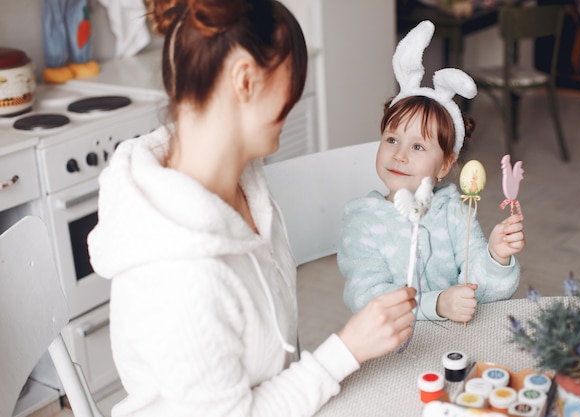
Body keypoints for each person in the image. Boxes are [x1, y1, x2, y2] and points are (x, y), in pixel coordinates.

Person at [87, 1, 417, 416]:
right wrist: (347, 349)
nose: (294, 96)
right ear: (244, 79)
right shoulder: (177, 277)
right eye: (290, 77)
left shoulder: (239, 179)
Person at [338, 20, 525, 324]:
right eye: (392, 139)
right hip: (390, 347)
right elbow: (367, 298)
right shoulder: (363, 221)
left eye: (418, 147)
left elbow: (482, 293)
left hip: (451, 342)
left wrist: (496, 255)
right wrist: (436, 304)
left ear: (446, 165)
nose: (399, 154)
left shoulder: (453, 212)